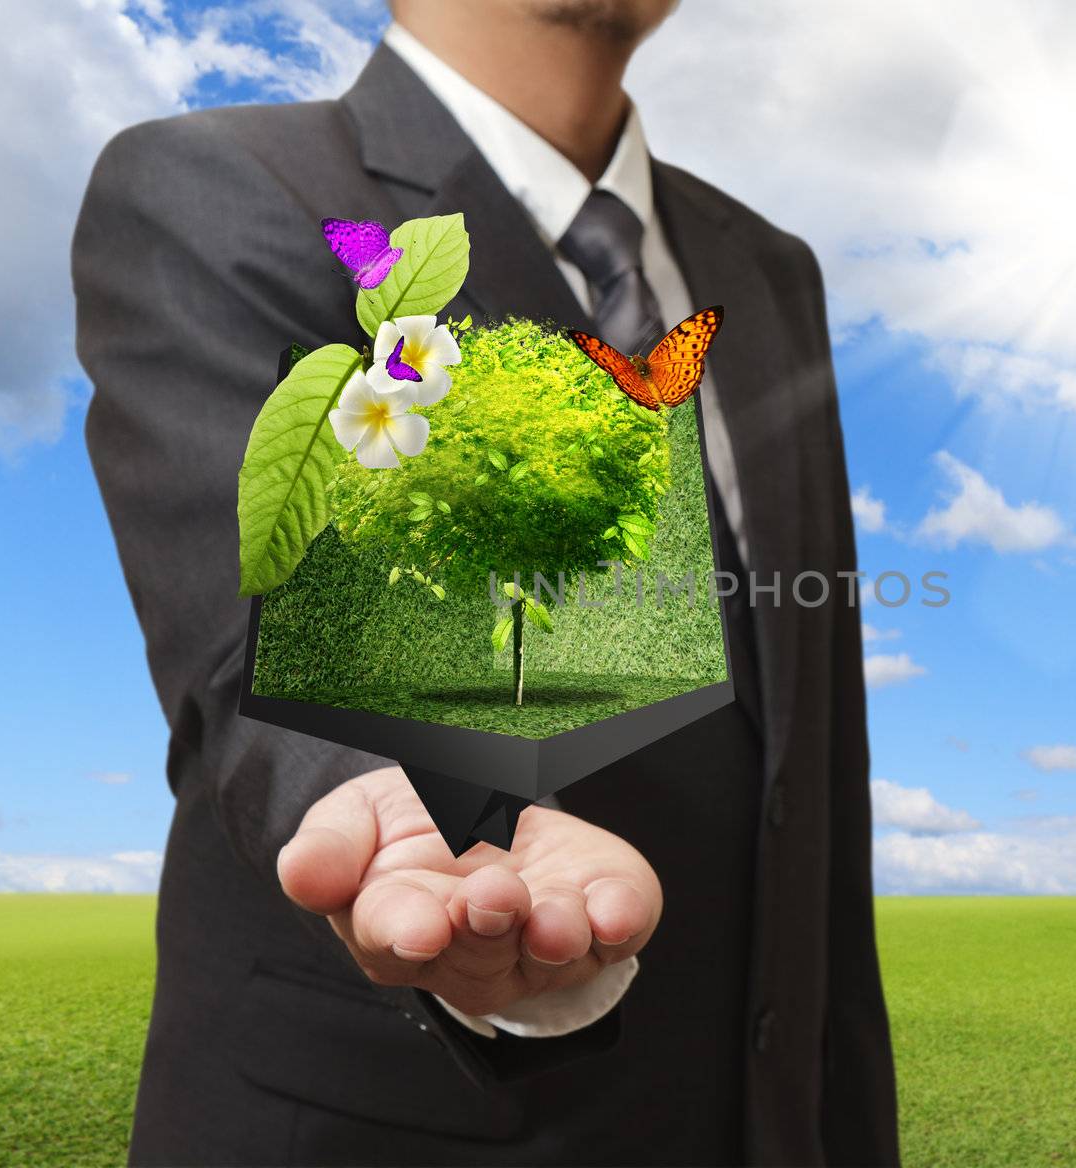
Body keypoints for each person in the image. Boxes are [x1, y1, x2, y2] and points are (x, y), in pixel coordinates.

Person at [73, 0, 898, 1163]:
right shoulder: (224, 185)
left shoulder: (770, 271)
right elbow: (243, 624)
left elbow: (811, 761)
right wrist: (420, 829)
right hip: (384, 1125)